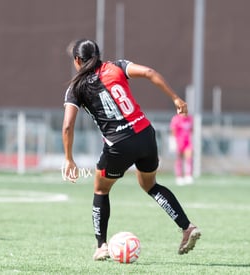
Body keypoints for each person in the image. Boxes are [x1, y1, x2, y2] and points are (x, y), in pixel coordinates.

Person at [62, 39, 200, 260]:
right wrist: (175, 98)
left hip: (118, 144)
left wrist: (69, 159)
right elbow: (148, 71)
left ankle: (101, 246)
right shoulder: (116, 66)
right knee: (150, 185)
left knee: (101, 189)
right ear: (98, 55)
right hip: (145, 134)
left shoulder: (76, 88)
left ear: (77, 60)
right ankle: (187, 227)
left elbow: (68, 126)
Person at [170, 113, 194, 185]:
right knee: (179, 159)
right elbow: (173, 131)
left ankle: (188, 175)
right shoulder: (176, 119)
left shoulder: (190, 118)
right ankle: (179, 176)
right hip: (179, 142)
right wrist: (173, 142)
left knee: (189, 158)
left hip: (188, 142)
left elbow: (192, 130)